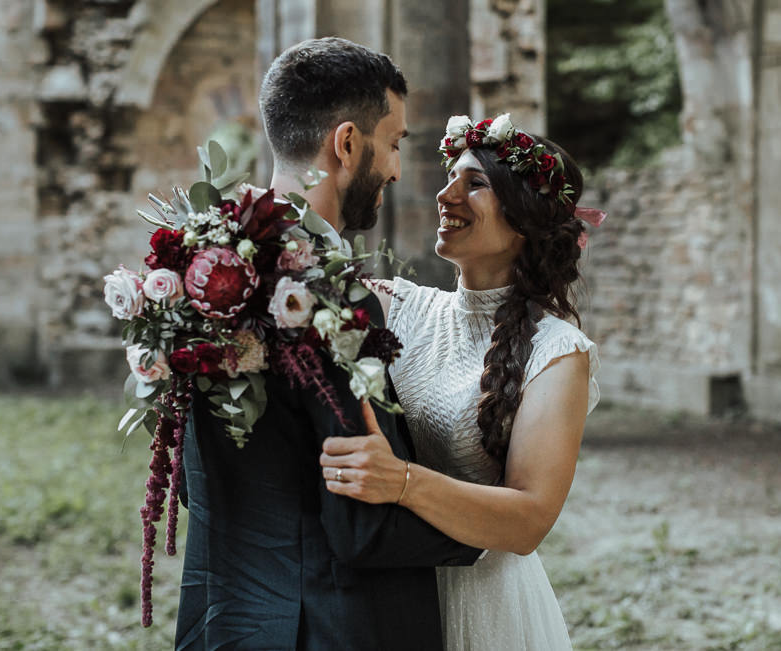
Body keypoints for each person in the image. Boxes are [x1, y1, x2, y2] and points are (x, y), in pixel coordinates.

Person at [175, 38, 482, 651]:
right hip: (327, 628)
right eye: (393, 143)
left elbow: (190, 480)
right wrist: (486, 524)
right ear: (346, 143)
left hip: (221, 618)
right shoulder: (327, 300)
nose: (396, 169)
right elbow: (362, 527)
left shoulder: (197, 271)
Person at [319, 113, 603, 650]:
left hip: (481, 605)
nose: (445, 195)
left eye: (475, 184)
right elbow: (299, 283)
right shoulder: (395, 304)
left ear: (525, 217)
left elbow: (529, 520)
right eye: (451, 177)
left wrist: (400, 481)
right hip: (382, 595)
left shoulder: (557, 351)